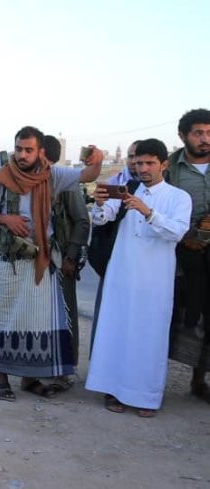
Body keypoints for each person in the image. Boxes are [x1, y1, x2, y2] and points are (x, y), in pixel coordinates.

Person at [0, 126, 102, 401]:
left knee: (37, 321)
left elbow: (88, 175)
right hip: (11, 259)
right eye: (19, 149)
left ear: (40, 151)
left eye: (28, 150)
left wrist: (97, 161)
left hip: (42, 259)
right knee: (7, 319)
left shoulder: (53, 175)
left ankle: (30, 378)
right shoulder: (1, 179)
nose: (22, 155)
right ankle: (1, 377)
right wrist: (6, 219)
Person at [86, 138, 191, 417]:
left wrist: (148, 212)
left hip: (155, 280)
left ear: (164, 165)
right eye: (139, 162)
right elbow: (102, 219)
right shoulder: (126, 190)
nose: (142, 168)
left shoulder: (178, 198)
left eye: (149, 163)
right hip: (121, 275)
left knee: (149, 336)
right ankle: (113, 390)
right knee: (117, 331)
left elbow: (177, 232)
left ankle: (146, 396)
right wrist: (99, 204)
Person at [165, 108, 210, 403]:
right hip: (182, 253)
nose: (205, 139)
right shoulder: (170, 169)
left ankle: (200, 379)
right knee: (177, 315)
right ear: (183, 136)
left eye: (208, 132)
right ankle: (156, 377)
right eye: (198, 133)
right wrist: (189, 236)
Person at [44, 135, 90, 391]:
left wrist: (71, 257)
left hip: (63, 259)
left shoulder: (65, 182)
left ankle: (67, 369)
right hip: (41, 259)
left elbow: (82, 221)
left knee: (66, 312)